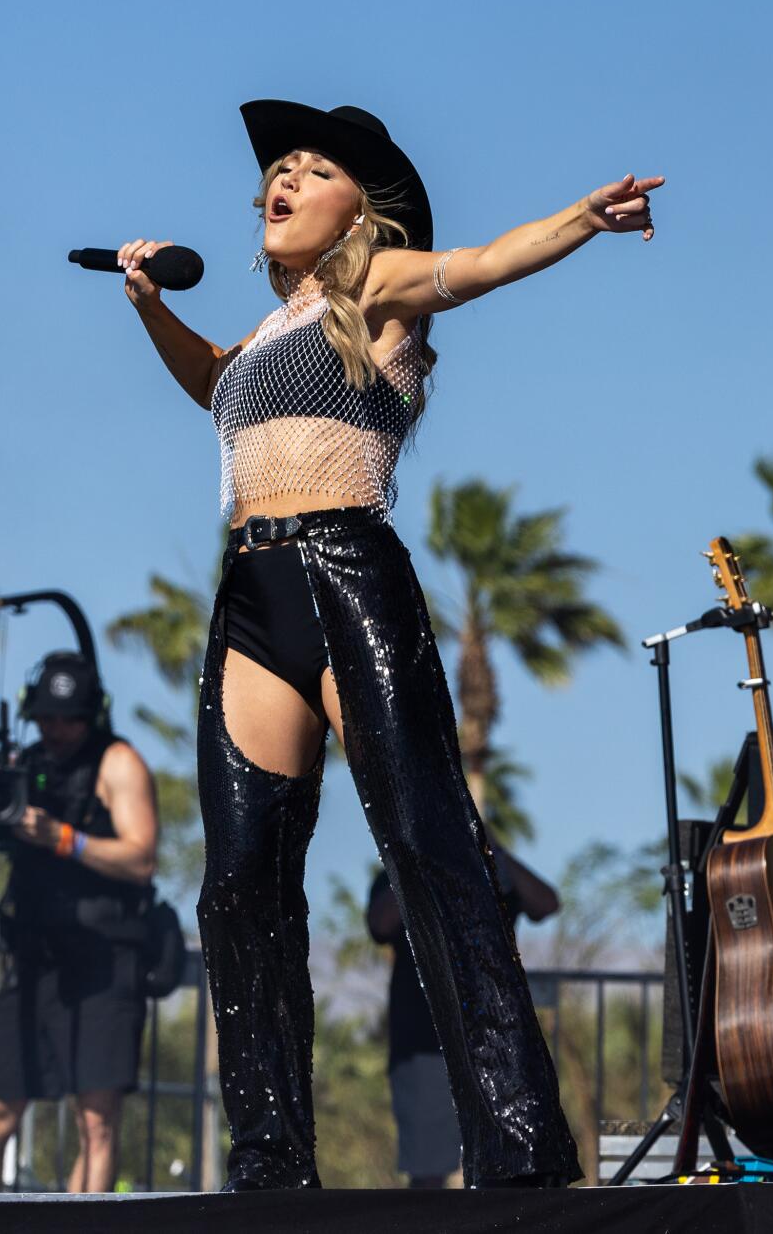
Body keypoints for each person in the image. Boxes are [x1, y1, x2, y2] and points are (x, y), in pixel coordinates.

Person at [112, 99, 661, 1189]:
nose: (283, 178)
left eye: (311, 171)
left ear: (360, 210)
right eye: (278, 167)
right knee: (239, 884)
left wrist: (581, 219)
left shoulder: (376, 286)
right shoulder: (265, 336)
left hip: (346, 572)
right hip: (251, 592)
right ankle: (270, 1162)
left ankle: (515, 1145)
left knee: (426, 842)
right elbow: (213, 385)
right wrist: (145, 308)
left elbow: (486, 262)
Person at [0, 651, 160, 1192]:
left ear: (92, 714)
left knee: (96, 1122)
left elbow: (142, 858)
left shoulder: (118, 763)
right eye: (48, 719)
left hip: (104, 963)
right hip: (34, 962)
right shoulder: (20, 767)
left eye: (70, 719)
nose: (58, 730)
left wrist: (62, 838)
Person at [367, 845, 560, 1188]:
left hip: (495, 1040)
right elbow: (381, 922)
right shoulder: (404, 863)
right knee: (428, 1167)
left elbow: (546, 903)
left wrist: (490, 846)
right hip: (424, 1040)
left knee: (512, 1160)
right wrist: (417, 858)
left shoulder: (490, 865)